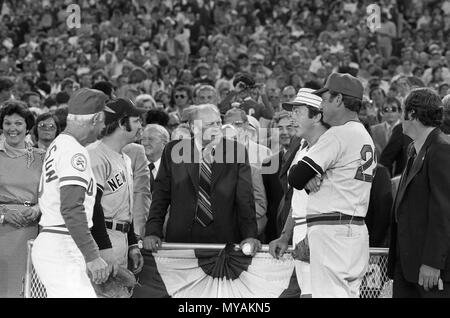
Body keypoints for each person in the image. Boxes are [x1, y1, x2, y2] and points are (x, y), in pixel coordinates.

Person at [288, 73, 376, 298]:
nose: (322, 106)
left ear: (338, 100)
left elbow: (296, 177)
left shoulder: (338, 134)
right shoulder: (364, 134)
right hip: (355, 229)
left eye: (326, 99)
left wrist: (307, 176)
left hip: (332, 231)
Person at [143, 104, 260, 253]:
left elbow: (245, 198)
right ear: (194, 127)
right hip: (181, 240)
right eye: (210, 124)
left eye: (218, 122)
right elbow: (160, 195)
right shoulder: (173, 150)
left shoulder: (236, 151)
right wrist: (153, 231)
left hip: (224, 240)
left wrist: (250, 235)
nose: (217, 128)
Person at [31, 88, 111, 298]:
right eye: (104, 120)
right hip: (62, 243)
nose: (104, 126)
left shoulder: (60, 144)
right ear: (95, 119)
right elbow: (71, 208)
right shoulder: (74, 150)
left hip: (58, 240)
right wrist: (92, 256)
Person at [387, 88, 450, 298]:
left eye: (402, 111)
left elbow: (444, 212)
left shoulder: (440, 149)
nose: (400, 118)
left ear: (412, 114)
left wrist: (433, 262)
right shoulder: (414, 149)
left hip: (429, 271)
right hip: (407, 266)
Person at [269, 88, 327, 298]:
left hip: (321, 234)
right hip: (301, 231)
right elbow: (297, 198)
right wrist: (285, 235)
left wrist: (315, 236)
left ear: (317, 116)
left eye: (298, 112)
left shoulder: (329, 146)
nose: (292, 118)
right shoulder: (301, 146)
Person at [87, 98, 145, 297]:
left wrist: (131, 243)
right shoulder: (95, 155)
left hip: (119, 238)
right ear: (122, 123)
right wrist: (104, 248)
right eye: (137, 120)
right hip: (101, 240)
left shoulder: (125, 158)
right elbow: (92, 206)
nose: (140, 126)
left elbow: (124, 208)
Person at [0, 101, 45, 298]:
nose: (13, 128)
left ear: (27, 126)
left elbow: (52, 195)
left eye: (18, 123)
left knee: (28, 289)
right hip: (3, 230)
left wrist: (37, 208)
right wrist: (4, 215)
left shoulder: (41, 157)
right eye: (7, 123)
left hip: (33, 230)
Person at [141, 124, 170, 196]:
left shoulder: (174, 169)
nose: (145, 143)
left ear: (164, 143)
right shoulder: (133, 166)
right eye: (143, 139)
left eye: (151, 139)